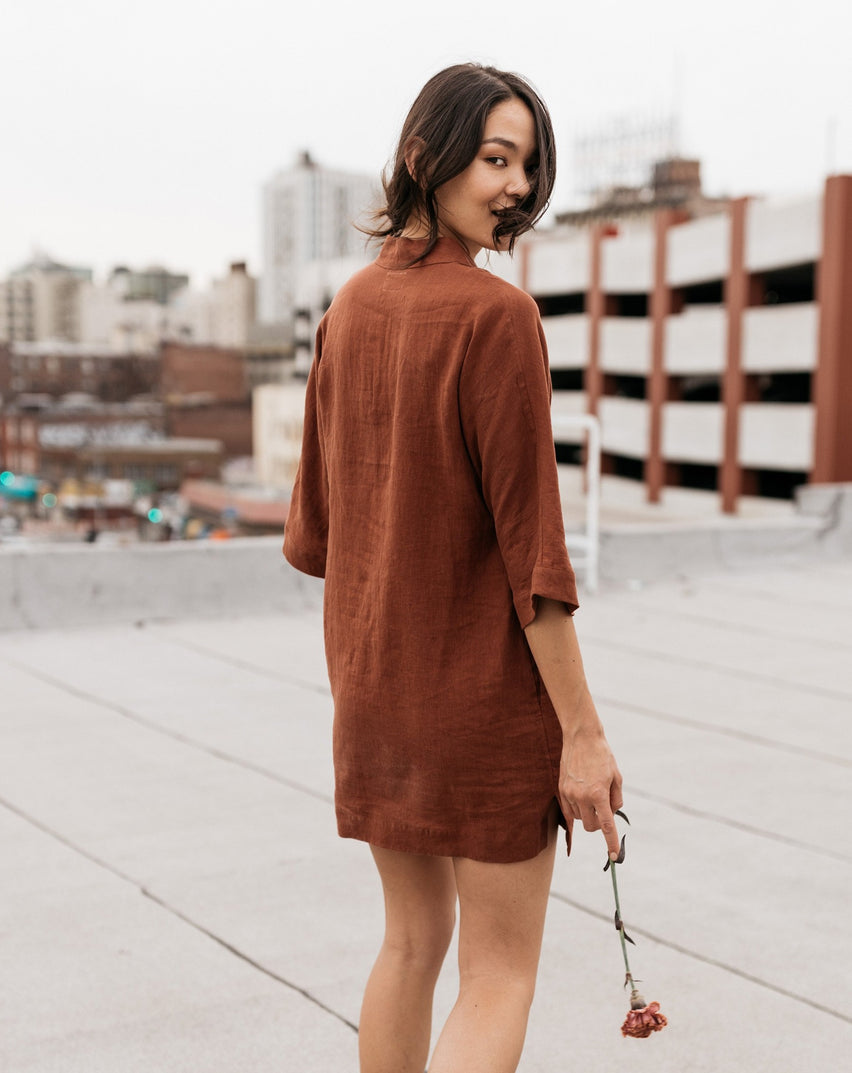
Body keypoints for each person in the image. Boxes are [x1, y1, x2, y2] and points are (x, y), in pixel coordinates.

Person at [284, 62, 623, 1073]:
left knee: (409, 941)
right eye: (495, 157)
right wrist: (584, 736)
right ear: (427, 155)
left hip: (376, 692)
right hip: (481, 702)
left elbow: (315, 532)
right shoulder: (496, 315)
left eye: (528, 164)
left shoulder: (348, 308)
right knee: (498, 972)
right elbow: (536, 559)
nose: (517, 186)